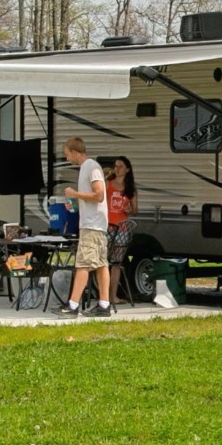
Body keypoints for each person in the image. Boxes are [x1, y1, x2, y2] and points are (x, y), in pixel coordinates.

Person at [59, 135, 111, 317]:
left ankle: (72, 306)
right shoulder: (85, 168)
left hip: (92, 225)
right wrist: (74, 203)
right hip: (95, 224)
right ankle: (104, 304)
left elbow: (99, 195)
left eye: (67, 154)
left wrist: (75, 194)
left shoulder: (91, 166)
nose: (67, 159)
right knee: (101, 264)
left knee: (82, 264)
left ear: (75, 152)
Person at [106, 156, 139, 305]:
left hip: (122, 228)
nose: (117, 168)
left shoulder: (130, 188)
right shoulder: (108, 184)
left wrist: (129, 209)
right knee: (104, 261)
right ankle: (104, 295)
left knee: (116, 262)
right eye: (115, 166)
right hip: (108, 225)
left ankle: (113, 296)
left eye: (120, 166)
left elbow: (136, 210)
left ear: (128, 169)